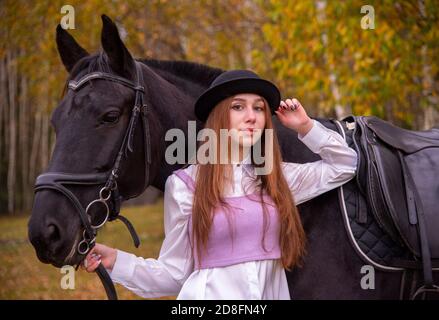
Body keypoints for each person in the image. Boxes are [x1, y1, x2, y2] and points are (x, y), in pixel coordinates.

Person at [82, 70, 357, 299]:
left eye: (259, 108)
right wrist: (116, 260)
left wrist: (305, 126)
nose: (251, 116)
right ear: (219, 118)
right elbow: (174, 274)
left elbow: (345, 165)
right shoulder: (185, 186)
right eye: (238, 107)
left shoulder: (278, 181)